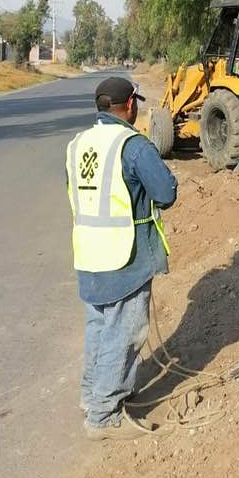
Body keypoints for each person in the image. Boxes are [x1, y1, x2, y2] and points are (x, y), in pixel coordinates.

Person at [66, 76, 178, 440]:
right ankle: (103, 416)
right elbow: (165, 192)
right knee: (125, 332)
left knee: (99, 327)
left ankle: (91, 395)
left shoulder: (78, 144)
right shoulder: (133, 146)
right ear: (130, 105)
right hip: (124, 255)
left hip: (89, 252)